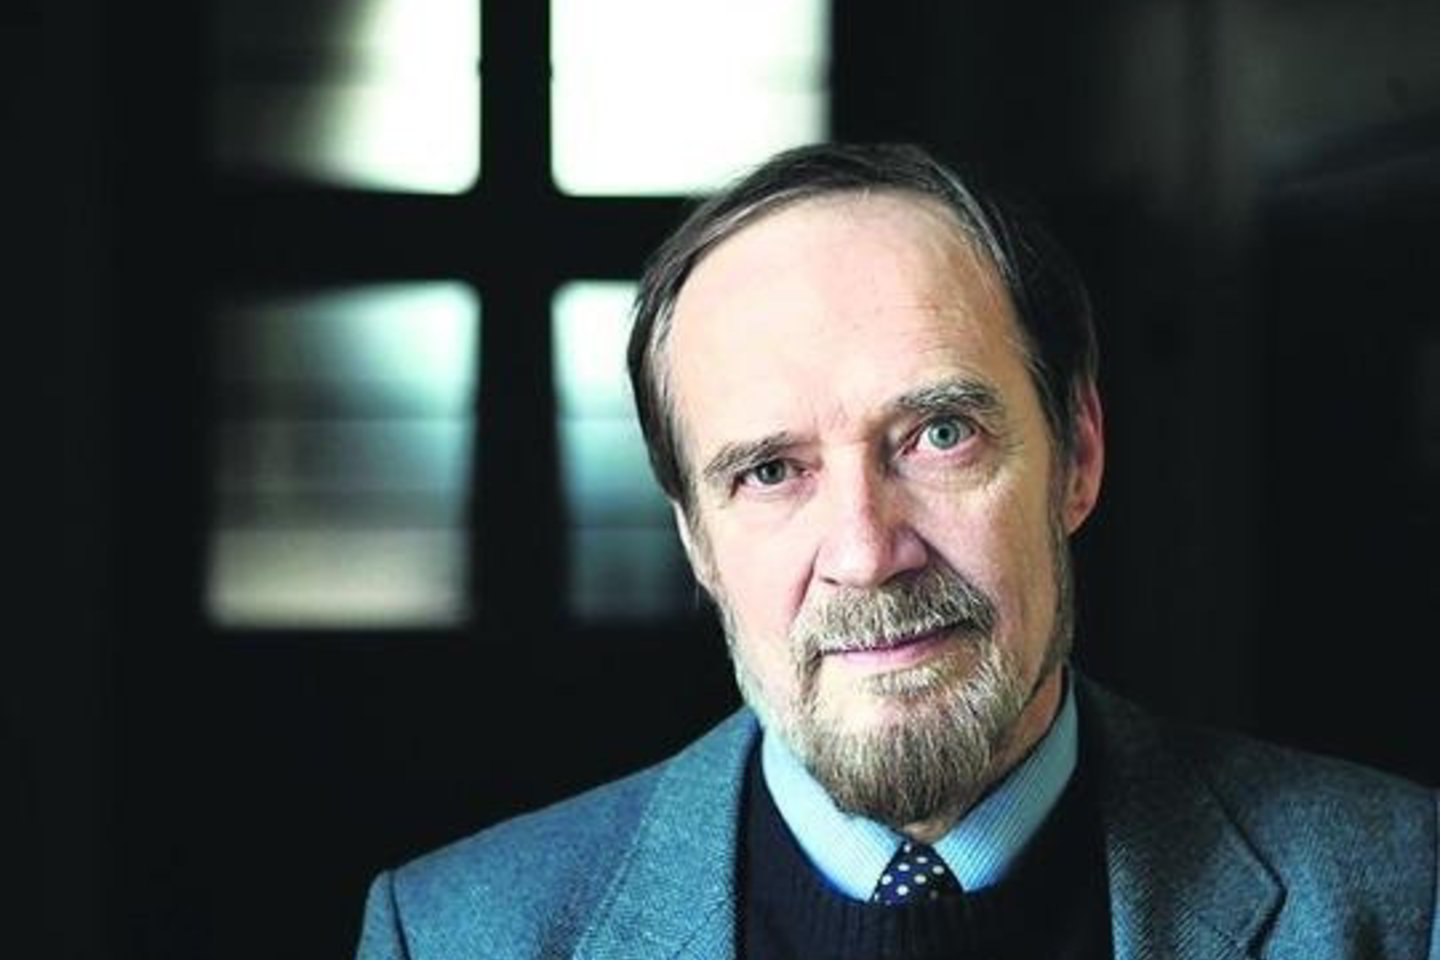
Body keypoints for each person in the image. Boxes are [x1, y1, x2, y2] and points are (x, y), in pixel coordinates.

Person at [353, 143, 1437, 959]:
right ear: (697, 540)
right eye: (770, 471)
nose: (867, 553)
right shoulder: (453, 937)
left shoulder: (1400, 892)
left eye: (940, 435)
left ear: (1077, 455)